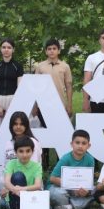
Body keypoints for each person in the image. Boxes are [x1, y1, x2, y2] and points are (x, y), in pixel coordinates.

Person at [32, 39, 73, 169]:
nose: (52, 51)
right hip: (44, 105)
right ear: (46, 51)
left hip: (59, 105)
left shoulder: (65, 66)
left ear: (59, 51)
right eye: (49, 49)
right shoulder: (40, 67)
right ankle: (44, 163)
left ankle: (59, 163)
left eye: (54, 49)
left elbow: (69, 86)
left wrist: (69, 104)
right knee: (45, 134)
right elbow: (35, 87)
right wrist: (35, 105)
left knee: (59, 134)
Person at [48, 130, 97, 209]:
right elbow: (53, 178)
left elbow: (88, 181)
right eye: (77, 143)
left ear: (89, 146)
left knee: (94, 190)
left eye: (84, 143)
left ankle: (68, 207)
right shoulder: (65, 158)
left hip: (79, 190)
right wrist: (72, 187)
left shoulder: (90, 159)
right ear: (72, 144)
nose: (80, 146)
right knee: (57, 193)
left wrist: (85, 191)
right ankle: (77, 205)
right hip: (63, 188)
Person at [3, 136, 44, 209]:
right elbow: (7, 182)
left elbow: (38, 185)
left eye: (28, 151)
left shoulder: (37, 166)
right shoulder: (11, 163)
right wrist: (15, 190)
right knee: (18, 176)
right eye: (21, 151)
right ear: (15, 152)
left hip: (30, 199)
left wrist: (21, 189)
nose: (24, 155)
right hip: (14, 199)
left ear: (32, 151)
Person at [0, 39, 24, 132]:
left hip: (13, 98)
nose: (6, 49)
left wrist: (13, 105)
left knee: (12, 129)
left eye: (9, 47)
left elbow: (20, 87)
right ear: (0, 49)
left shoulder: (18, 66)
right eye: (4, 47)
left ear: (13, 50)